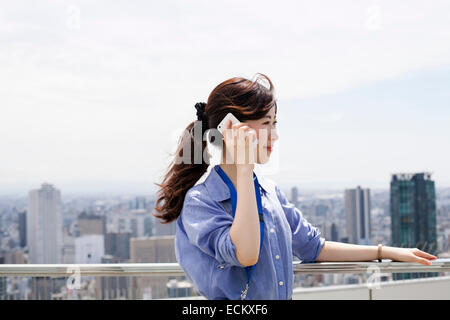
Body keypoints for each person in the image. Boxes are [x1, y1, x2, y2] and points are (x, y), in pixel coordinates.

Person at [153, 73, 437, 300]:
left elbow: (314, 247)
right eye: (266, 123)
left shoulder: (269, 192)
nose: (275, 136)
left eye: (275, 123)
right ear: (230, 129)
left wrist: (384, 252)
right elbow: (245, 253)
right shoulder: (201, 201)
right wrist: (242, 169)